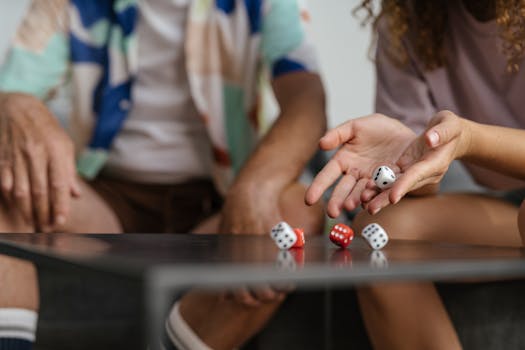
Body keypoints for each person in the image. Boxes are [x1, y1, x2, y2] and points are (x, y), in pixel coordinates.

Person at [0, 1, 326, 349]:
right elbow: (14, 88)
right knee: (5, 188)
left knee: (296, 213)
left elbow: (306, 97)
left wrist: (256, 186)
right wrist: (14, 104)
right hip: (105, 202)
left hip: (220, 202)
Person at [306, 0, 525, 349]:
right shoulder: (408, 18)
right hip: (506, 208)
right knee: (379, 232)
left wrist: (468, 138)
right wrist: (408, 159)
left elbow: (459, 140)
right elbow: (423, 182)